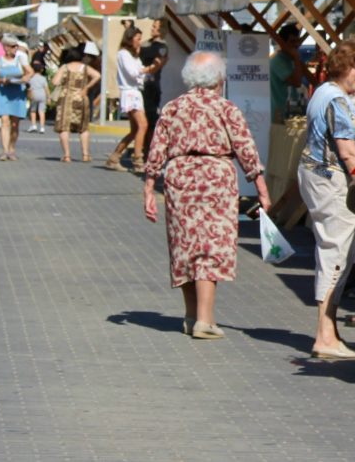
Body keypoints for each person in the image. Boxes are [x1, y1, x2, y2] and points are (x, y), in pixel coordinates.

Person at [143, 51, 271, 339]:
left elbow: (156, 149)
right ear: (219, 78)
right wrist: (261, 189)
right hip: (216, 179)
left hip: (180, 178)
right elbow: (246, 150)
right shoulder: (227, 109)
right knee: (210, 248)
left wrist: (149, 187)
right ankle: (205, 320)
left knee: (185, 247)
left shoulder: (173, 108)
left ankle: (190, 316)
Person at [296, 39, 355, 359]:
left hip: (315, 176)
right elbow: (347, 151)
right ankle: (325, 334)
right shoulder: (337, 101)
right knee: (337, 253)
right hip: (330, 181)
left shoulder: (325, 94)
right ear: (343, 66)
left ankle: (329, 330)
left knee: (332, 250)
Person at [107, 26, 154, 172]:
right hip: (130, 93)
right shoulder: (123, 54)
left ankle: (114, 157)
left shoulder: (133, 56)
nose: (140, 42)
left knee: (135, 130)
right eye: (138, 39)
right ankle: (138, 159)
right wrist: (147, 69)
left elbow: (141, 75)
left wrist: (147, 72)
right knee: (143, 125)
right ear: (130, 38)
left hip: (135, 92)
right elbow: (134, 73)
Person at [52, 46, 101, 162]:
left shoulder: (64, 67)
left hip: (66, 98)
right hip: (81, 97)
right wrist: (87, 87)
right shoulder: (85, 68)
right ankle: (85, 155)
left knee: (64, 127)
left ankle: (67, 155)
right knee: (83, 128)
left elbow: (55, 82)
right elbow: (97, 76)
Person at [0, 34, 34, 161]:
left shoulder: (20, 60)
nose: (16, 48)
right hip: (4, 92)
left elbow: (30, 72)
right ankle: (5, 150)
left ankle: (12, 148)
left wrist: (26, 78)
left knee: (15, 123)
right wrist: (2, 80)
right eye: (13, 46)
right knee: (4, 121)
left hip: (18, 92)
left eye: (16, 46)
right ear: (6, 47)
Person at [140, 18, 170, 154]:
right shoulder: (146, 43)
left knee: (150, 118)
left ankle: (148, 149)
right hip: (141, 83)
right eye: (153, 26)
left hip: (151, 84)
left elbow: (159, 64)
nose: (152, 29)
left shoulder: (162, 46)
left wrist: (149, 69)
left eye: (155, 27)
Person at [270, 23, 307, 123]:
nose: (296, 45)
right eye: (292, 41)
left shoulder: (289, 60)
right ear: (283, 43)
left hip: (289, 113)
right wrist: (296, 58)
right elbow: (296, 82)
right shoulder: (278, 61)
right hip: (277, 115)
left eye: (297, 41)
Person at [27, 63, 50, 133]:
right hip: (42, 95)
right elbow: (46, 88)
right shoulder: (43, 78)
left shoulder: (31, 78)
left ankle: (34, 125)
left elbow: (29, 88)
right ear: (41, 70)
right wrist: (48, 97)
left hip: (34, 95)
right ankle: (42, 127)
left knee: (33, 110)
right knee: (42, 111)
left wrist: (28, 95)